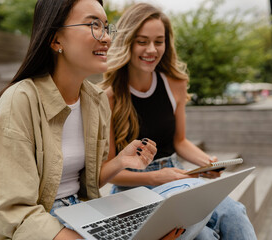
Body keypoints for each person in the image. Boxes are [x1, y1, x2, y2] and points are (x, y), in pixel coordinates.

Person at [0, 0, 158, 239]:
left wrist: (121, 161)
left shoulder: (97, 100)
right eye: (93, 25)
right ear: (55, 40)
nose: (106, 38)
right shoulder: (19, 101)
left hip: (79, 214)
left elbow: (84, 185)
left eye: (106, 27)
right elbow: (14, 214)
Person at [102, 3, 257, 239]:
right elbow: (110, 172)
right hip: (131, 191)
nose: (152, 49)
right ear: (127, 42)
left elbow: (180, 141)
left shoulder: (174, 83)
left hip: (177, 178)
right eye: (142, 41)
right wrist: (155, 177)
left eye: (159, 41)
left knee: (234, 212)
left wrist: (206, 163)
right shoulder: (109, 96)